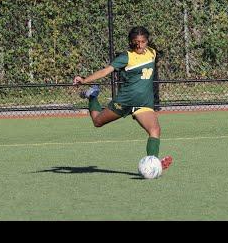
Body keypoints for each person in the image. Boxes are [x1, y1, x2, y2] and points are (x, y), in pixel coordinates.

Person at [73, 26, 173, 170]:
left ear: (147, 41)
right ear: (131, 41)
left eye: (143, 41)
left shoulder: (152, 52)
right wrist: (84, 80)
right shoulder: (126, 57)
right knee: (97, 122)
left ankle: (153, 164)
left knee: (155, 130)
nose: (139, 45)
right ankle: (92, 96)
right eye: (136, 42)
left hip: (143, 103)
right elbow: (105, 71)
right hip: (124, 101)